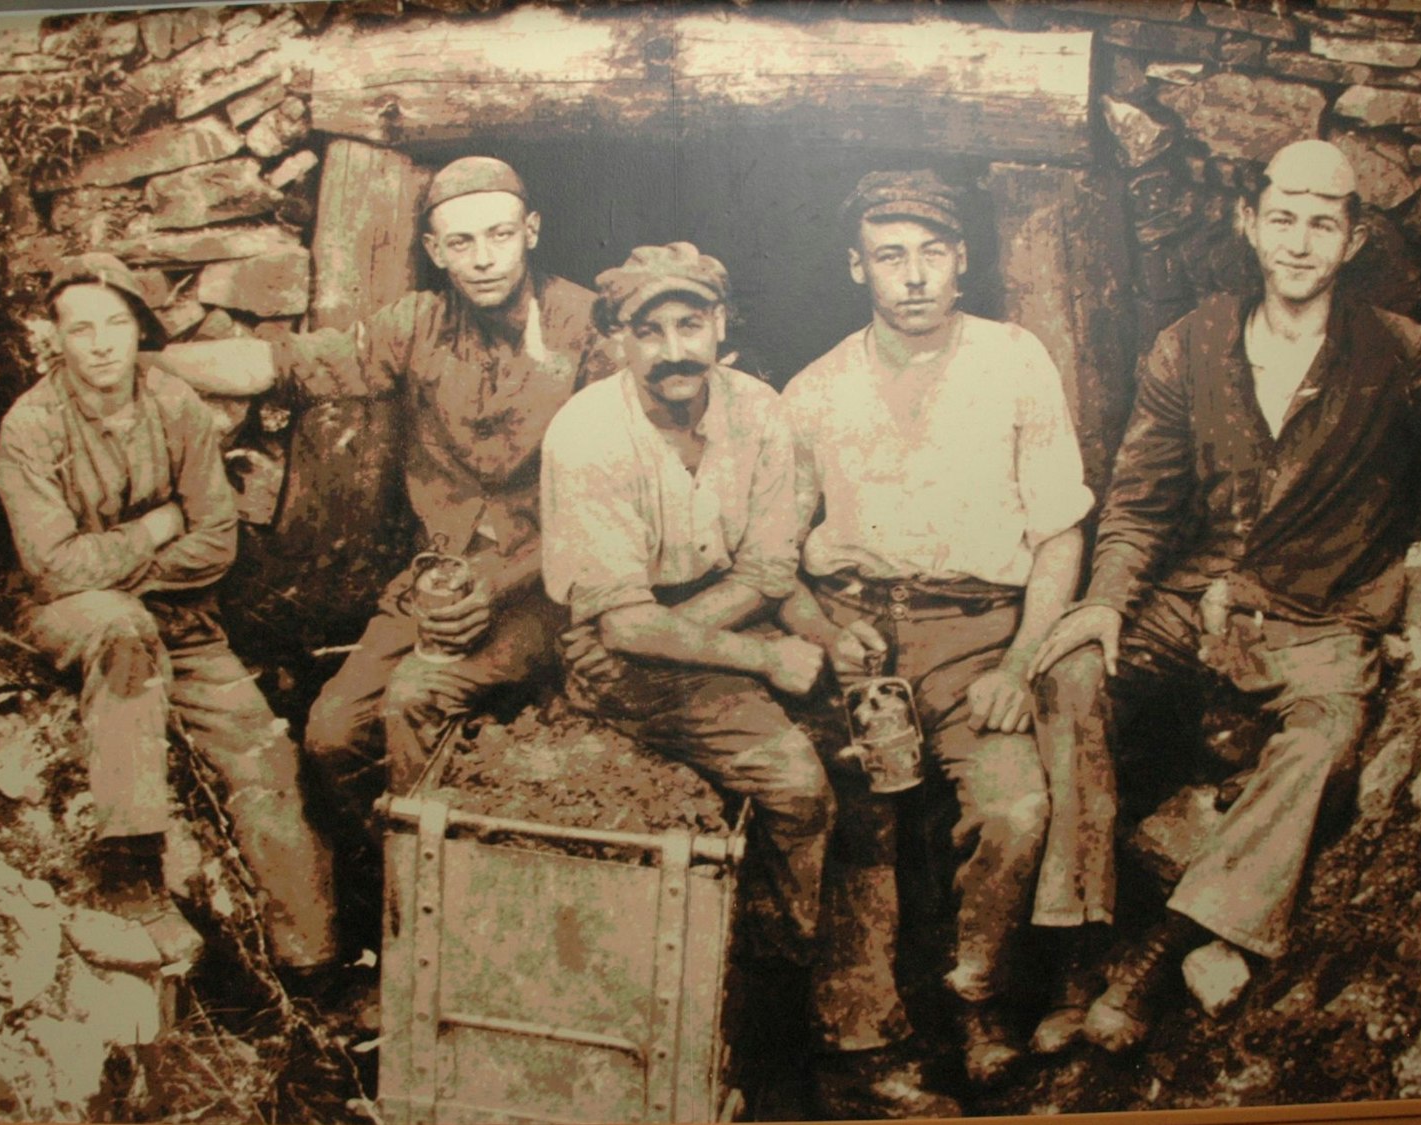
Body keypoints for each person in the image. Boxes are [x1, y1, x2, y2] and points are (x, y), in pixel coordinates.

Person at [1025, 139, 1421, 1053]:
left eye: (1324, 222)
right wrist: (1109, 598)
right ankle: (1083, 944)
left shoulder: (1400, 353)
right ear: (1251, 224)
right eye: (1283, 217)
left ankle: (1163, 949)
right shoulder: (1190, 343)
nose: (1301, 241)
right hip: (1191, 597)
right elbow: (1139, 503)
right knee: (1074, 674)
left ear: (1352, 240)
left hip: (1321, 616)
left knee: (1323, 740)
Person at [775, 170, 1103, 1115]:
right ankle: (863, 1042)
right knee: (851, 822)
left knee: (1014, 811)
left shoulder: (1014, 360)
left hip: (979, 635)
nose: (912, 276)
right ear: (856, 266)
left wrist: (1018, 661)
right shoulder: (815, 390)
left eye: (930, 252)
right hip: (865, 638)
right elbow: (771, 555)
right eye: (889, 256)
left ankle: (974, 998)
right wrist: (827, 622)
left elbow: (1059, 533)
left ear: (962, 259)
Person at [0, 253, 339, 988]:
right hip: (73, 616)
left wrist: (130, 566)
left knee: (263, 750)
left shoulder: (173, 404)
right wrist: (152, 531)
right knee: (120, 632)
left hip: (180, 615)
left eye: (116, 323)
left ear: (138, 330)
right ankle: (131, 875)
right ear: (56, 338)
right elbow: (54, 569)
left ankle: (311, 964)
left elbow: (216, 537)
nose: (101, 343)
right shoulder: (30, 427)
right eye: (80, 328)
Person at [272, 156, 612, 830]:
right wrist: (141, 362)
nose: (483, 258)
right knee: (332, 733)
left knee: (414, 699)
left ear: (532, 231)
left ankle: (440, 894)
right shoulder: (416, 323)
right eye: (461, 242)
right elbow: (294, 364)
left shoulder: (587, 325)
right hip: (438, 582)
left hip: (546, 586)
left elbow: (618, 499)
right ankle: (394, 876)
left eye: (500, 235)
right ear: (434, 250)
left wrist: (501, 581)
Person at [538, 242, 836, 965]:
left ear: (721, 325)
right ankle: (771, 957)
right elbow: (630, 621)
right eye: (649, 331)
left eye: (691, 324)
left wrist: (651, 631)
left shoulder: (759, 410)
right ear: (615, 342)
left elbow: (767, 571)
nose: (675, 350)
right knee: (798, 785)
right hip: (638, 657)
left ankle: (789, 960)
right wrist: (764, 654)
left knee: (861, 745)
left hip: (685, 622)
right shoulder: (587, 433)